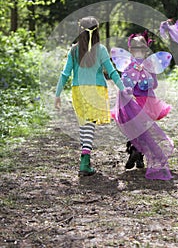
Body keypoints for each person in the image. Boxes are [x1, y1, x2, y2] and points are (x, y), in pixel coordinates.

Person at [55, 16, 125, 176]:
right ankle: (85, 161)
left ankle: (85, 160)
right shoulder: (100, 50)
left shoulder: (74, 50)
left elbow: (65, 74)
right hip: (96, 91)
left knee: (84, 125)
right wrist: (123, 89)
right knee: (89, 126)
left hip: (78, 91)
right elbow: (112, 72)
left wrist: (57, 94)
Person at [119, 31, 171, 170]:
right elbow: (154, 84)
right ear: (146, 49)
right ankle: (140, 157)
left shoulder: (128, 65)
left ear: (130, 49)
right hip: (148, 102)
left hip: (133, 101)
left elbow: (124, 83)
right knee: (143, 129)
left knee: (133, 128)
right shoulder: (150, 65)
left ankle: (134, 150)